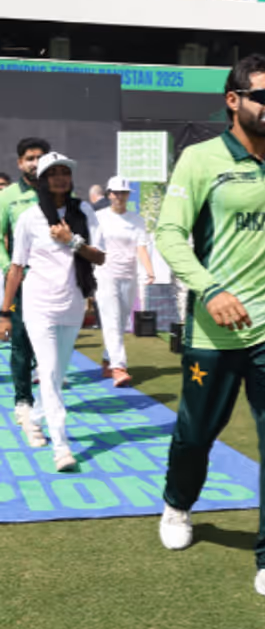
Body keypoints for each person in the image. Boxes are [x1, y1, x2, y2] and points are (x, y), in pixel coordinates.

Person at [153, 54, 265, 613]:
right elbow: (170, 235)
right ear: (233, 100)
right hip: (211, 332)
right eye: (262, 96)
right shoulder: (199, 160)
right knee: (197, 432)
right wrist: (211, 289)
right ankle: (177, 503)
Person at [0, 152, 105, 472]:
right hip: (37, 303)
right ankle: (61, 445)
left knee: (57, 372)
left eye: (65, 172)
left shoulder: (84, 211)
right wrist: (4, 312)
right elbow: (17, 267)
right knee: (47, 370)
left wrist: (71, 240)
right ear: (43, 179)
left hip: (71, 301)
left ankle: (35, 416)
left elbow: (99, 257)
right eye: (53, 172)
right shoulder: (30, 217)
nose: (60, 177)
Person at [0, 138, 49, 445]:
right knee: (21, 344)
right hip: (20, 283)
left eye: (39, 157)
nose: (34, 162)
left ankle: (47, 407)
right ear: (19, 163)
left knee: (52, 350)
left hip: (55, 285)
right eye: (29, 158)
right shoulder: (8, 197)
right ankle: (23, 402)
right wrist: (8, 270)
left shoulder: (58, 193)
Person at [95, 176, 155, 386]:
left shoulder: (137, 220)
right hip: (105, 274)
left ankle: (106, 360)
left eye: (123, 193)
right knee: (111, 320)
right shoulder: (99, 217)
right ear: (109, 194)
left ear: (128, 195)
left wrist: (149, 270)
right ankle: (118, 367)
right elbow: (93, 248)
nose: (119, 197)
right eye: (115, 193)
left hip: (129, 275)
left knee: (120, 321)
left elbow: (141, 247)